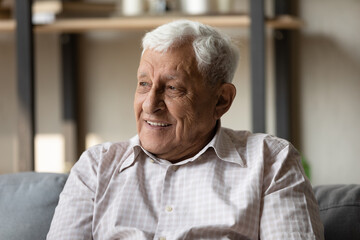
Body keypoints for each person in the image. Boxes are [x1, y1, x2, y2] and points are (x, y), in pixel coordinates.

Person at [47, 20, 324, 239]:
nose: (150, 105)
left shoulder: (270, 162)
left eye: (172, 88)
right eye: (144, 84)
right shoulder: (96, 167)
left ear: (221, 100)